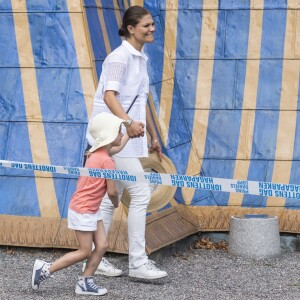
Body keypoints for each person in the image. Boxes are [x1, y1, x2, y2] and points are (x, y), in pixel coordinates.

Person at [84, 5, 167, 279]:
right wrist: (128, 123)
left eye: (153, 24)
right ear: (131, 29)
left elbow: (140, 102)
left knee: (112, 197)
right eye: (146, 25)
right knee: (141, 193)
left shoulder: (139, 57)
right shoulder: (119, 58)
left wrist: (153, 134)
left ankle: (97, 259)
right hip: (112, 135)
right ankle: (138, 264)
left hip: (126, 134)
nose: (152, 28)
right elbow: (110, 96)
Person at [31, 112, 129, 296]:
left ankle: (85, 281)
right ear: (109, 136)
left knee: (102, 245)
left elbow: (117, 148)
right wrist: (116, 203)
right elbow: (112, 191)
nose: (122, 135)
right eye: (119, 132)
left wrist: (130, 134)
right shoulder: (107, 161)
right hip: (85, 210)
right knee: (85, 251)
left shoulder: (95, 154)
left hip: (88, 208)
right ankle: (45, 269)